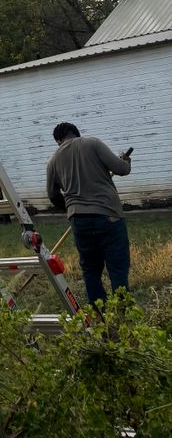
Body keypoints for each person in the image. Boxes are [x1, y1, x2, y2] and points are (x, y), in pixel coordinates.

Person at [46, 122, 132, 305]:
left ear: (58, 140)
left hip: (79, 220)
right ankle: (124, 313)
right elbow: (121, 169)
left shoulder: (53, 160)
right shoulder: (92, 143)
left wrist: (71, 209)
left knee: (90, 270)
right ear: (76, 134)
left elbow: (53, 195)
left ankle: (100, 313)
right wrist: (126, 161)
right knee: (117, 267)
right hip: (109, 216)